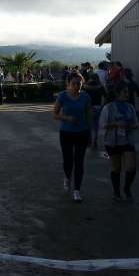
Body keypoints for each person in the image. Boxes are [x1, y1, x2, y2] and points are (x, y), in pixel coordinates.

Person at [52, 72, 93, 203]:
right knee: (68, 161)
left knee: (79, 161)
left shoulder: (86, 97)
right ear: (68, 84)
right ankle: (67, 177)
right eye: (74, 83)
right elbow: (55, 114)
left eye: (79, 83)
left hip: (82, 132)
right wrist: (66, 118)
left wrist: (90, 133)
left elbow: (89, 116)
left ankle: (77, 191)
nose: (77, 86)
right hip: (66, 133)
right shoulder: (63, 96)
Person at [99, 83, 139, 201]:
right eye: (125, 92)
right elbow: (102, 124)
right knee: (117, 168)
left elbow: (136, 122)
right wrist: (116, 124)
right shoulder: (108, 108)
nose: (127, 94)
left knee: (131, 167)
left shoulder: (130, 107)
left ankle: (127, 188)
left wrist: (132, 126)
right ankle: (116, 192)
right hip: (113, 141)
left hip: (127, 140)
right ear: (118, 93)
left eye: (128, 92)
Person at [83, 76, 105, 148]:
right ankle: (95, 139)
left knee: (88, 124)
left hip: (89, 108)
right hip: (98, 107)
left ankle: (89, 139)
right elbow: (104, 97)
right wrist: (102, 106)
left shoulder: (86, 87)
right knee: (96, 125)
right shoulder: (101, 87)